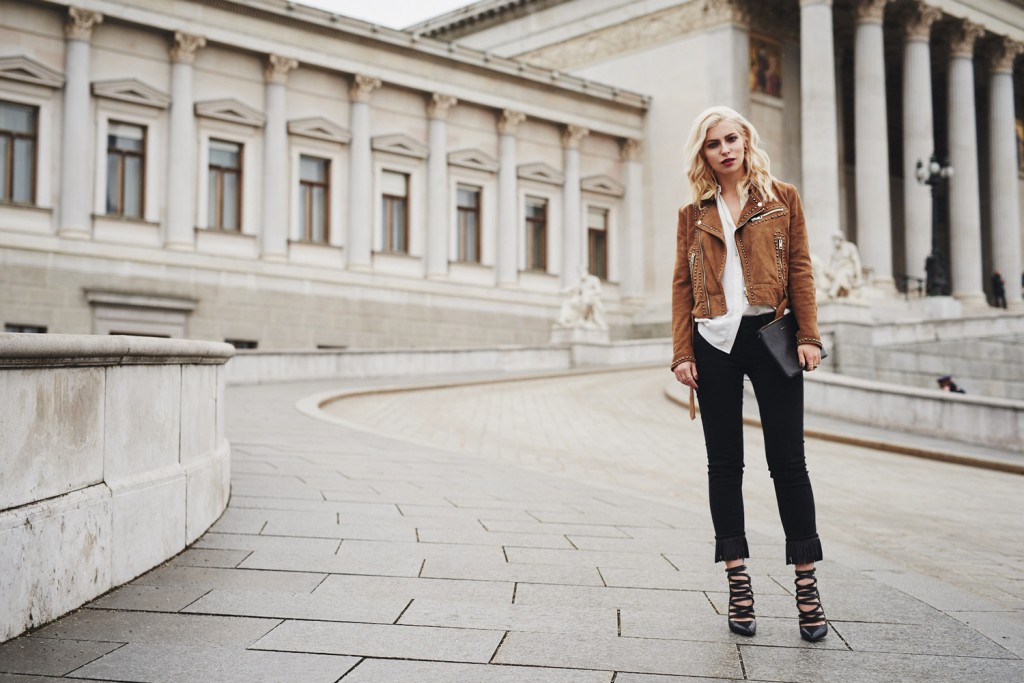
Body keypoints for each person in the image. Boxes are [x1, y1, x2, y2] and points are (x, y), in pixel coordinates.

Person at [670, 106, 828, 642]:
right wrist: (681, 352)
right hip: (714, 343)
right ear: (704, 155)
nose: (725, 150)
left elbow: (801, 267)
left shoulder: (782, 198)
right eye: (713, 144)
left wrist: (809, 336)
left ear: (746, 140)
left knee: (788, 461)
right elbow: (681, 287)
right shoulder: (693, 213)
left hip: (771, 336)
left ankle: (806, 585)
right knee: (724, 466)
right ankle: (739, 581)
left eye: (731, 139)